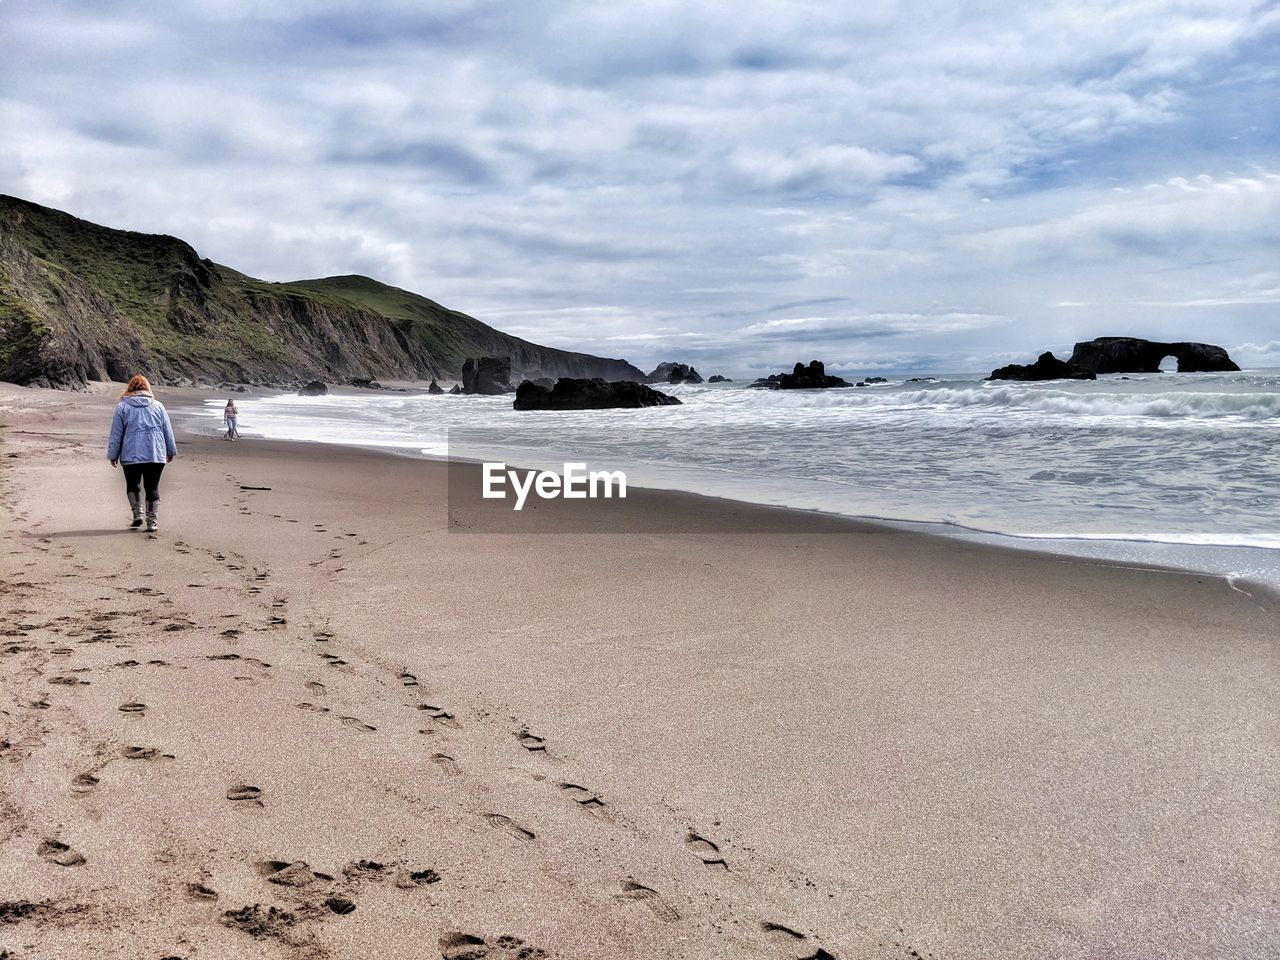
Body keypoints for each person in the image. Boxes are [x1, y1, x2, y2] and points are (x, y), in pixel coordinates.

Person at [107, 375, 176, 533]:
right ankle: (152, 522)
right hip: (155, 453)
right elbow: (167, 430)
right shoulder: (158, 406)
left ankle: (138, 514)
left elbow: (116, 434)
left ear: (130, 388)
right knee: (152, 488)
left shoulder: (122, 407)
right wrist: (171, 450)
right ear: (147, 388)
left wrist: (113, 454)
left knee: (133, 485)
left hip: (131, 454)